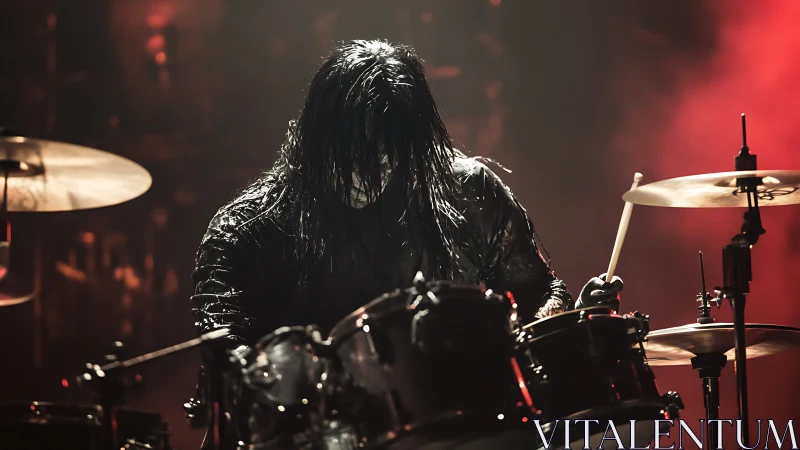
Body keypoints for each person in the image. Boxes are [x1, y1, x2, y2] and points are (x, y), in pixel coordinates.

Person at [190, 39, 622, 449]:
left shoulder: (468, 194)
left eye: (385, 152)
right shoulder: (249, 229)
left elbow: (542, 292)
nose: (368, 169)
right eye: (350, 152)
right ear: (315, 140)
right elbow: (224, 357)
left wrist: (563, 323)